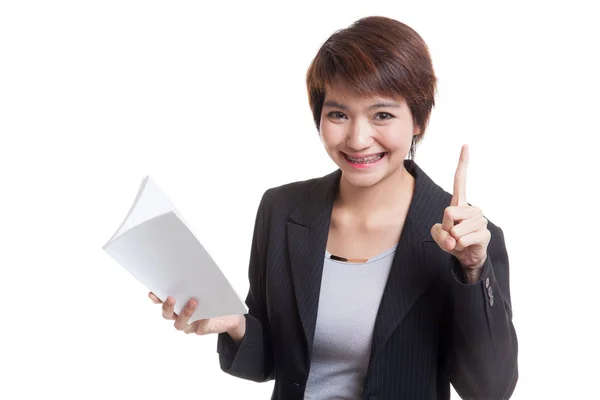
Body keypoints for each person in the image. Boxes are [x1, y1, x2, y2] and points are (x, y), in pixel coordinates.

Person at [149, 16, 518, 400]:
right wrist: (235, 324)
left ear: (420, 120)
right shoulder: (282, 210)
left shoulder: (464, 235)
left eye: (383, 115)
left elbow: (490, 390)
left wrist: (472, 268)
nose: (358, 139)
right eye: (338, 114)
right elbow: (273, 362)